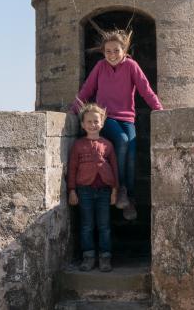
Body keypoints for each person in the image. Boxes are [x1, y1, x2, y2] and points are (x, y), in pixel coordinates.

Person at [71, 29, 163, 221]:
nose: (112, 55)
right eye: (108, 51)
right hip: (107, 116)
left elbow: (145, 89)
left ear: (124, 50)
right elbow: (87, 89)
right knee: (121, 140)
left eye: (116, 51)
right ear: (103, 52)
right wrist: (73, 110)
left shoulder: (131, 66)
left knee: (131, 148)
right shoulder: (100, 67)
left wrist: (159, 109)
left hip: (128, 117)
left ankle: (129, 196)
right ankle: (120, 188)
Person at [68, 103, 119, 272]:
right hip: (84, 191)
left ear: (102, 123)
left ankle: (105, 257)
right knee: (87, 225)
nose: (92, 124)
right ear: (82, 125)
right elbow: (73, 167)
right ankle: (88, 256)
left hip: (104, 191)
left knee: (104, 226)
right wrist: (72, 190)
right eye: (88, 121)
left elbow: (114, 168)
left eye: (96, 121)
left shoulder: (108, 145)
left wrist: (114, 190)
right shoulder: (78, 145)